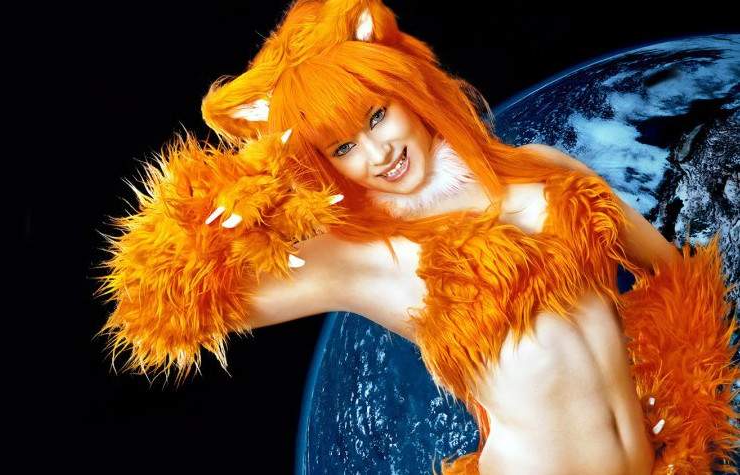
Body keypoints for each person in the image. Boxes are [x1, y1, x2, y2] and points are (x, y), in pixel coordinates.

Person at [93, 1, 740, 474]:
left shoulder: (546, 172)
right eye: (342, 147)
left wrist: (687, 407)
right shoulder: (366, 260)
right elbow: (159, 309)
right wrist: (256, 181)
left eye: (377, 115)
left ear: (410, 92)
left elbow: (675, 274)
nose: (378, 153)